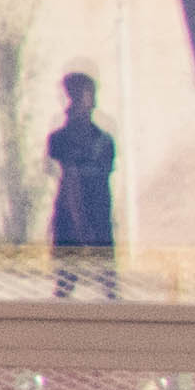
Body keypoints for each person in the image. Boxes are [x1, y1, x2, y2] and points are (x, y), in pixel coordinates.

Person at [48, 71, 120, 294]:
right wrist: (79, 221)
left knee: (108, 284)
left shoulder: (104, 141)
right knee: (65, 284)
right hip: (70, 219)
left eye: (83, 95)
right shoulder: (59, 139)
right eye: (75, 95)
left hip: (98, 215)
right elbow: (68, 178)